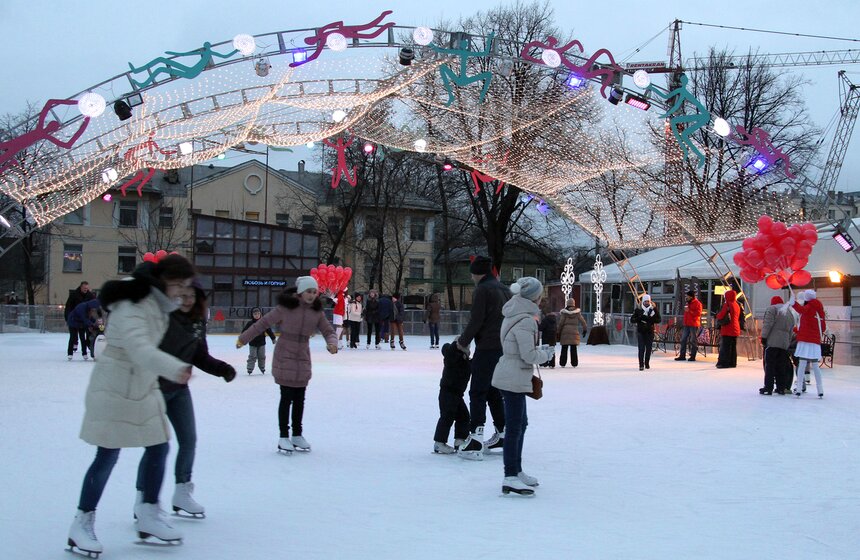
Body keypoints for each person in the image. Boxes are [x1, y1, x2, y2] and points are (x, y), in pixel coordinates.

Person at [67, 255, 195, 557]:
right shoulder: (133, 301)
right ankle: (81, 524)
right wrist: (174, 367)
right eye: (178, 285)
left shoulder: (156, 302)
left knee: (159, 445)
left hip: (142, 385)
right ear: (165, 281)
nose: (181, 292)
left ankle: (148, 513)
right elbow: (139, 348)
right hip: (115, 385)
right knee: (108, 455)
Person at [139, 280, 236, 519]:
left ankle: (182, 492)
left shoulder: (196, 322)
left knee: (189, 440)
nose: (188, 300)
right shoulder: (164, 320)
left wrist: (221, 368)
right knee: (155, 446)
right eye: (183, 295)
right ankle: (143, 498)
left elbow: (199, 355)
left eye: (193, 296)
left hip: (180, 390)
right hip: (155, 387)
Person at [237, 276, 338, 453]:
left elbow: (328, 330)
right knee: (286, 397)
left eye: (314, 292)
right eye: (309, 291)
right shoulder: (285, 308)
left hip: (303, 356)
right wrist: (243, 339)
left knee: (300, 398)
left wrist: (332, 343)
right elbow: (263, 323)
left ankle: (297, 435)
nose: (312, 295)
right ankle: (284, 436)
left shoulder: (316, 312)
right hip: (285, 353)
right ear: (300, 292)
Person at [491, 277, 553, 496]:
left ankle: (516, 471)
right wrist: (546, 353)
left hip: (511, 374)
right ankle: (510, 475)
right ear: (534, 296)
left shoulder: (514, 312)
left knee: (520, 424)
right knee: (515, 427)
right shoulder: (526, 319)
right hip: (513, 376)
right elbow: (528, 355)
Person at [456, 256, 510, 460]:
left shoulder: (483, 289)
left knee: (478, 391)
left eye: (471, 272)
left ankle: (476, 438)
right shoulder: (504, 289)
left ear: (477, 272)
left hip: (487, 347)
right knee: (494, 391)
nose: (470, 276)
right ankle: (503, 434)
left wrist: (463, 341)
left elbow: (476, 319)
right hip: (503, 348)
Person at [433, 342, 472, 454]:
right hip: (448, 392)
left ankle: (459, 440)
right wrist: (457, 345)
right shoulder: (453, 356)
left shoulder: (464, 360)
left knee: (463, 416)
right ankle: (439, 443)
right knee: (447, 417)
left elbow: (472, 365)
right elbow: (448, 350)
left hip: (457, 394)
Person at [791, 289, 826, 398]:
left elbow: (801, 310)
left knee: (802, 363)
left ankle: (799, 388)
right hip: (815, 341)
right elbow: (823, 327)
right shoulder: (819, 309)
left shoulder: (809, 306)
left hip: (805, 340)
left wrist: (793, 303)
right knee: (815, 365)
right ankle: (820, 389)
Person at [759, 295, 795, 395]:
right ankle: (781, 387)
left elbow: (767, 324)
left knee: (770, 365)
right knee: (781, 366)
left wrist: (764, 337)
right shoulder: (788, 312)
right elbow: (791, 329)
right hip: (784, 343)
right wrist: (787, 342)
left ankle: (768, 387)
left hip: (773, 342)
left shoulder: (772, 309)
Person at [242, 307, 276, 374]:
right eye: (255, 314)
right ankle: (250, 368)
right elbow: (244, 331)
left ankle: (262, 367)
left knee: (262, 356)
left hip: (262, 343)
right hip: (252, 343)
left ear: (260, 314)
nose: (257, 315)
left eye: (258, 314)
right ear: (252, 315)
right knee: (252, 356)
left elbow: (269, 331)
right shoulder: (250, 323)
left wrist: (273, 338)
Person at [630, 294, 661, 371]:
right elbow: (632, 320)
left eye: (648, 301)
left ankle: (647, 362)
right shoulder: (638, 310)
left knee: (649, 349)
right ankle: (641, 364)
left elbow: (658, 320)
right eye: (645, 301)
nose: (647, 303)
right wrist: (640, 318)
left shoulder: (653, 309)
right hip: (641, 331)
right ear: (643, 302)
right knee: (641, 349)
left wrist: (650, 319)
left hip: (650, 332)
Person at [65, 281, 95, 358]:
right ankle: (70, 353)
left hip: (83, 319)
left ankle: (84, 353)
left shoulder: (90, 295)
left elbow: (92, 307)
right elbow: (68, 307)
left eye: (87, 288)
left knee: (82, 336)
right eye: (84, 288)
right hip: (73, 319)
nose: (86, 290)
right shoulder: (74, 295)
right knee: (73, 336)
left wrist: (91, 319)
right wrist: (67, 318)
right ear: (81, 287)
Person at [556, 297, 588, 367]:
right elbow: (583, 322)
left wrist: (558, 331)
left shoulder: (564, 313)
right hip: (574, 332)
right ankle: (574, 363)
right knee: (573, 349)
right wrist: (585, 329)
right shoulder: (577, 313)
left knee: (564, 348)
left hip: (565, 332)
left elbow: (561, 323)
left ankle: (562, 363)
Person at [715, 289, 741, 369]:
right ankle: (732, 362)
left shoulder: (727, 304)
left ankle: (724, 363)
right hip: (735, 328)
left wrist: (717, 315)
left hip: (728, 328)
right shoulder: (737, 305)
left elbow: (721, 315)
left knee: (725, 347)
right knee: (733, 347)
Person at [676, 289, 702, 361]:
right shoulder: (688, 303)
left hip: (693, 324)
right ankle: (682, 355)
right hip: (687, 324)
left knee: (693, 340)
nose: (686, 297)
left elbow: (698, 314)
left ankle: (693, 356)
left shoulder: (697, 303)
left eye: (687, 296)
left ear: (691, 297)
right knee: (683, 339)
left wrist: (689, 311)